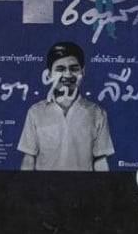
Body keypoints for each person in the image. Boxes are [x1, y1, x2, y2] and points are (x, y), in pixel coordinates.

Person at [18, 41, 114, 171]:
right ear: (49, 74)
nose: (68, 75)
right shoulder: (35, 112)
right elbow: (29, 159)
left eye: (74, 68)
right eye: (60, 69)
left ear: (83, 71)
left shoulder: (97, 113)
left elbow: (100, 160)